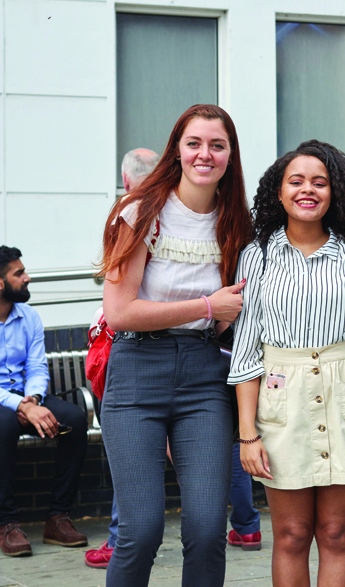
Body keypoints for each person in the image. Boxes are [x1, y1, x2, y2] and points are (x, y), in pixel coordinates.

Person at [98, 104, 253, 587]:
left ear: (230, 156)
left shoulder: (236, 223)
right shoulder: (141, 210)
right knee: (141, 530)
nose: (205, 154)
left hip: (204, 375)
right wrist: (207, 306)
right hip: (137, 370)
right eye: (194, 143)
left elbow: (238, 311)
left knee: (207, 529)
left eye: (217, 145)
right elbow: (121, 312)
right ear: (177, 150)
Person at [229, 140, 345, 586]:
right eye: (296, 181)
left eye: (319, 182)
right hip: (283, 404)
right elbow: (246, 354)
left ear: (333, 193)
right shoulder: (256, 257)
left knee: (337, 533)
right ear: (278, 193)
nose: (308, 190)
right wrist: (248, 436)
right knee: (291, 534)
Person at [85, 147, 159, 569]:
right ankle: (244, 522)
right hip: (180, 347)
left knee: (130, 457)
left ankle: (118, 537)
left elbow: (117, 305)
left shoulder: (128, 211)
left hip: (131, 350)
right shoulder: (170, 209)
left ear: (127, 181)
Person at [0, 246, 89, 557]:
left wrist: (34, 399)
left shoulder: (29, 316)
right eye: (19, 273)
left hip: (29, 395)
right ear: (0, 283)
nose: (27, 278)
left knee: (76, 420)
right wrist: (21, 406)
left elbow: (37, 367)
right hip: (5, 403)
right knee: (4, 424)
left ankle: (57, 518)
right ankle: (6, 524)